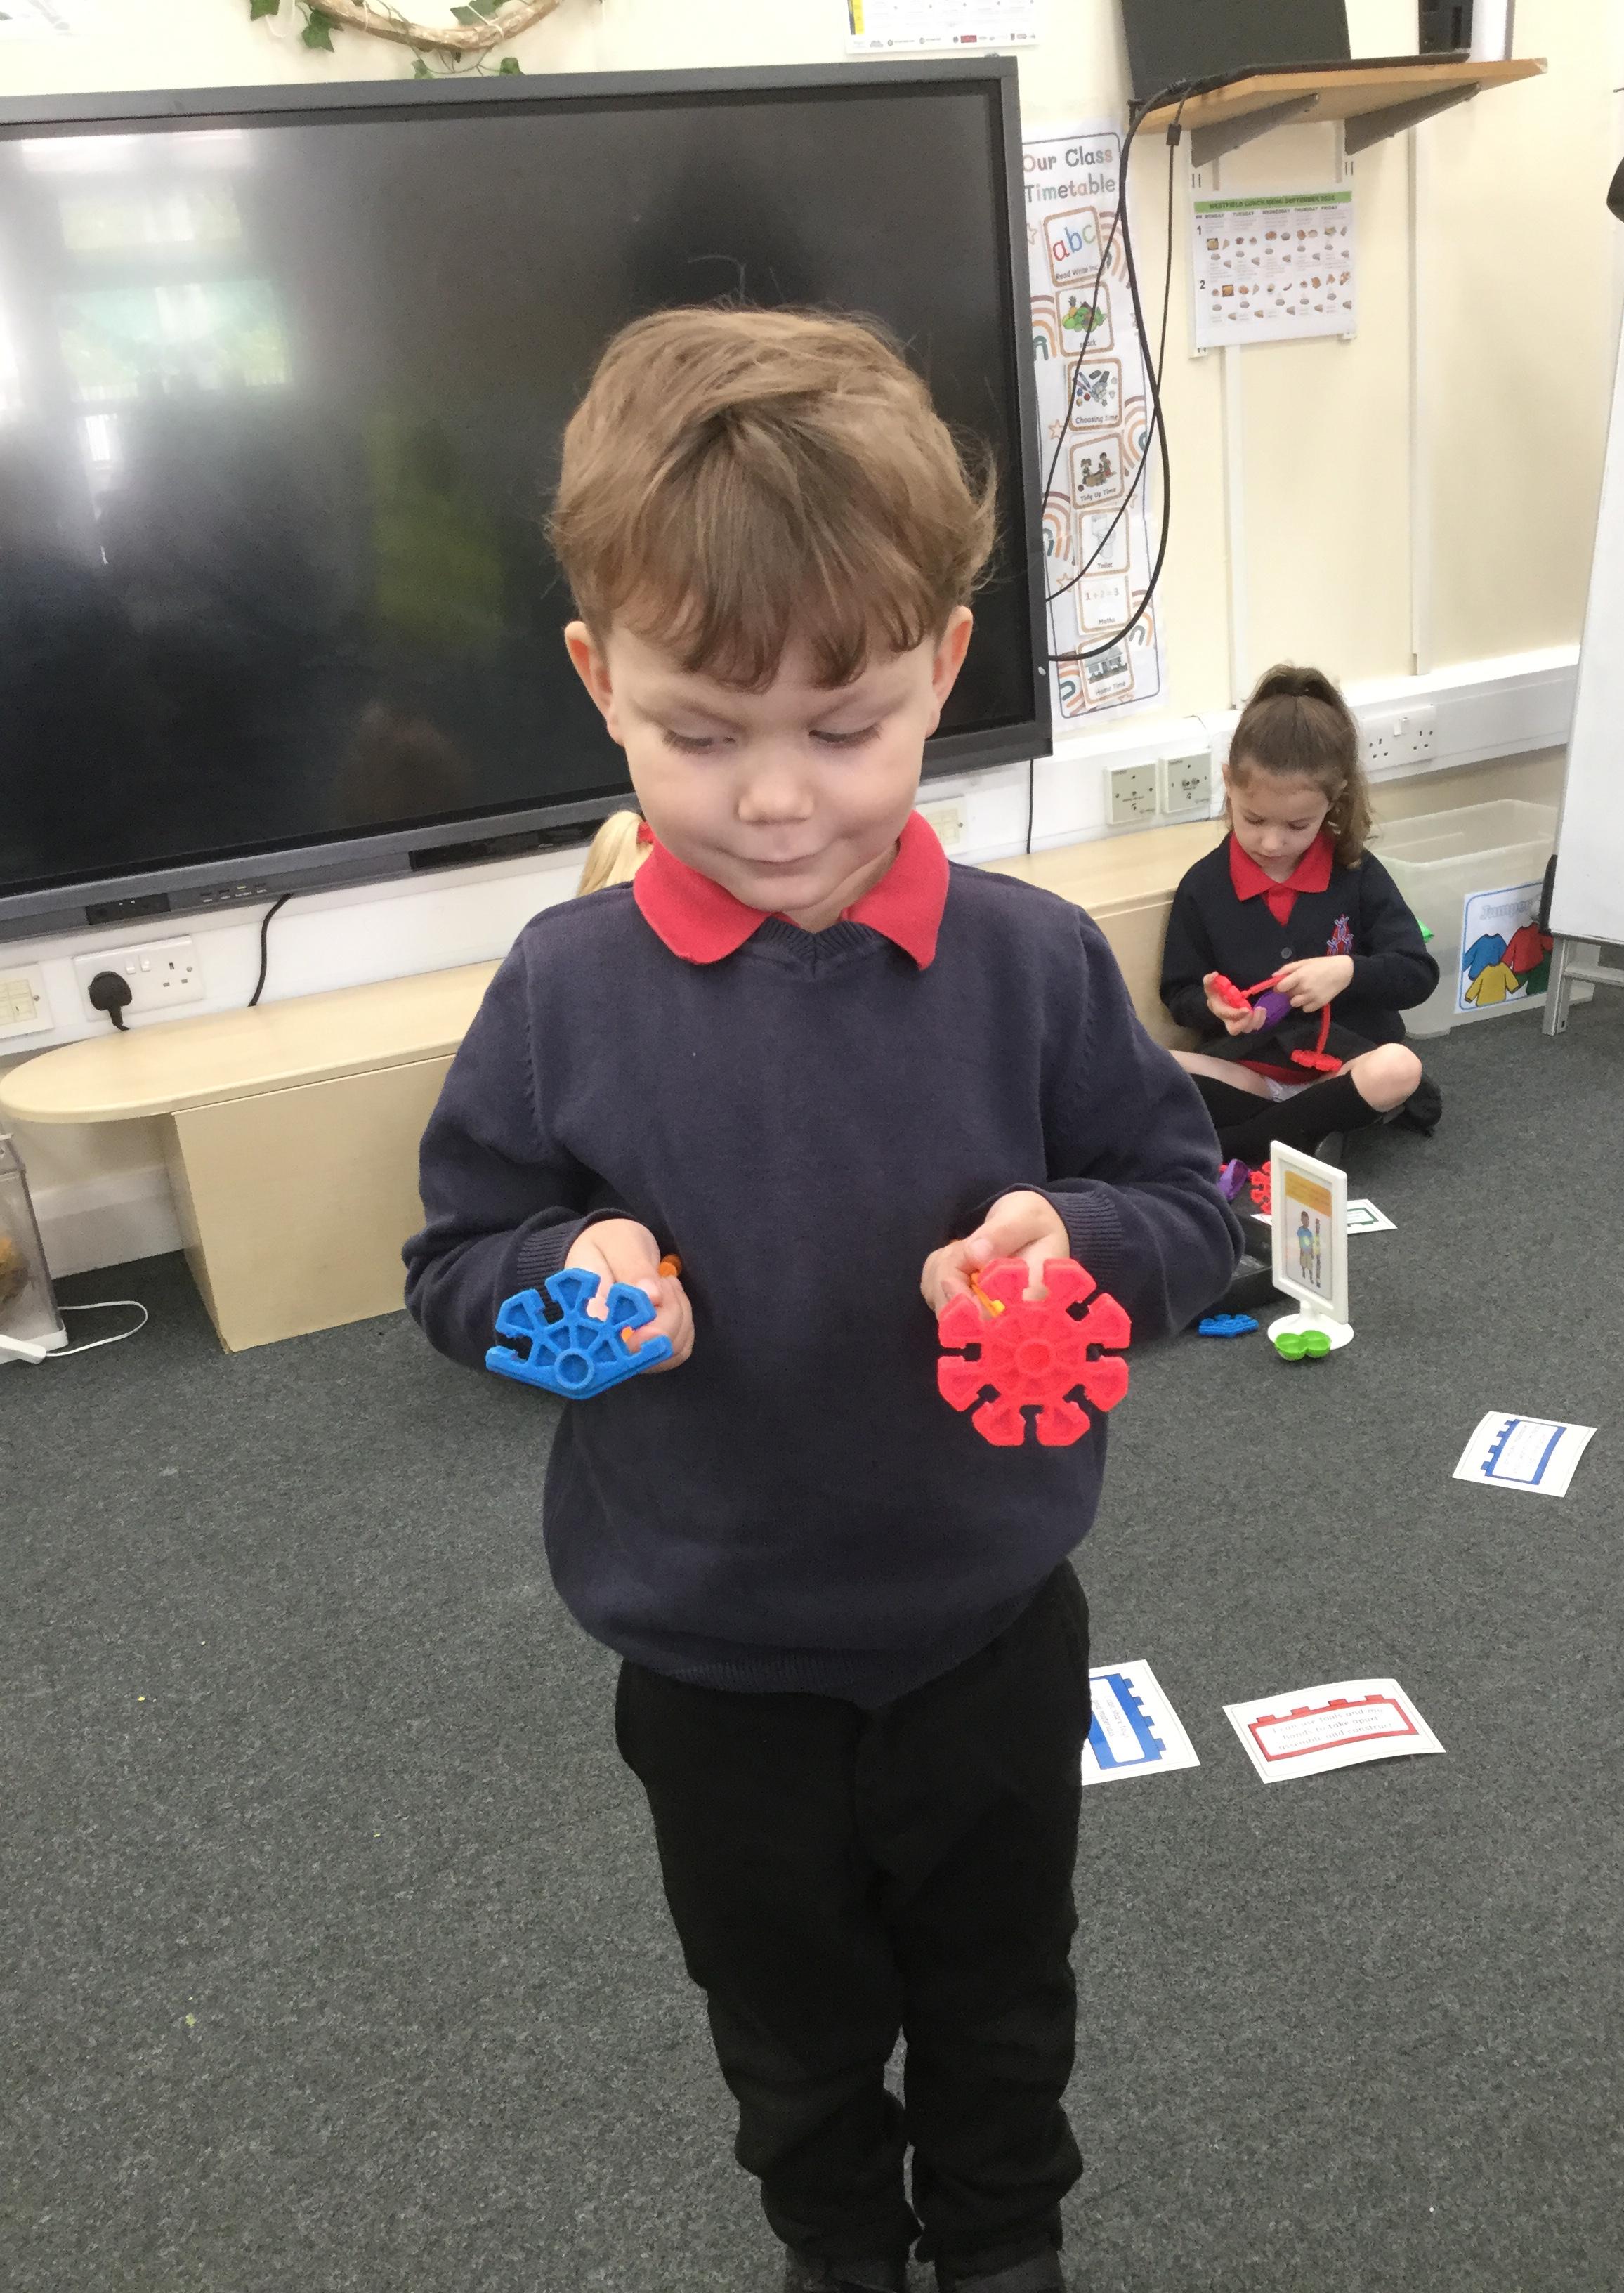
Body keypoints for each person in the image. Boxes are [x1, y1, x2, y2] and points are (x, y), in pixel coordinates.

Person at [403, 306, 1240, 2293]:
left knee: (1002, 1996)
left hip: (987, 1633)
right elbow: (452, 1265)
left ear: (940, 668)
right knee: (784, 2027)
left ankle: (1003, 2243)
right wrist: (569, 1274)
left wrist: (1068, 1235)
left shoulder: (1031, 964)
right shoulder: (562, 990)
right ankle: (839, 2248)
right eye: (702, 734)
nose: (776, 800)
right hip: (711, 1664)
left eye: (845, 725)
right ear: (601, 682)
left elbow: (1189, 1211)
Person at [1159, 663, 1441, 1169]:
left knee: (1399, 1068)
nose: (1271, 842)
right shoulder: (1203, 886)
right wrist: (1215, 1008)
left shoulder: (1357, 873)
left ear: (1334, 801)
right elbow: (1179, 994)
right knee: (1143, 1063)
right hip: (1251, 1073)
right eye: (1254, 819)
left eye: (1297, 825)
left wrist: (1348, 972)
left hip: (1348, 1068)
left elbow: (1417, 974)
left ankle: (1241, 1145)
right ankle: (1305, 1132)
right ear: (1228, 783)